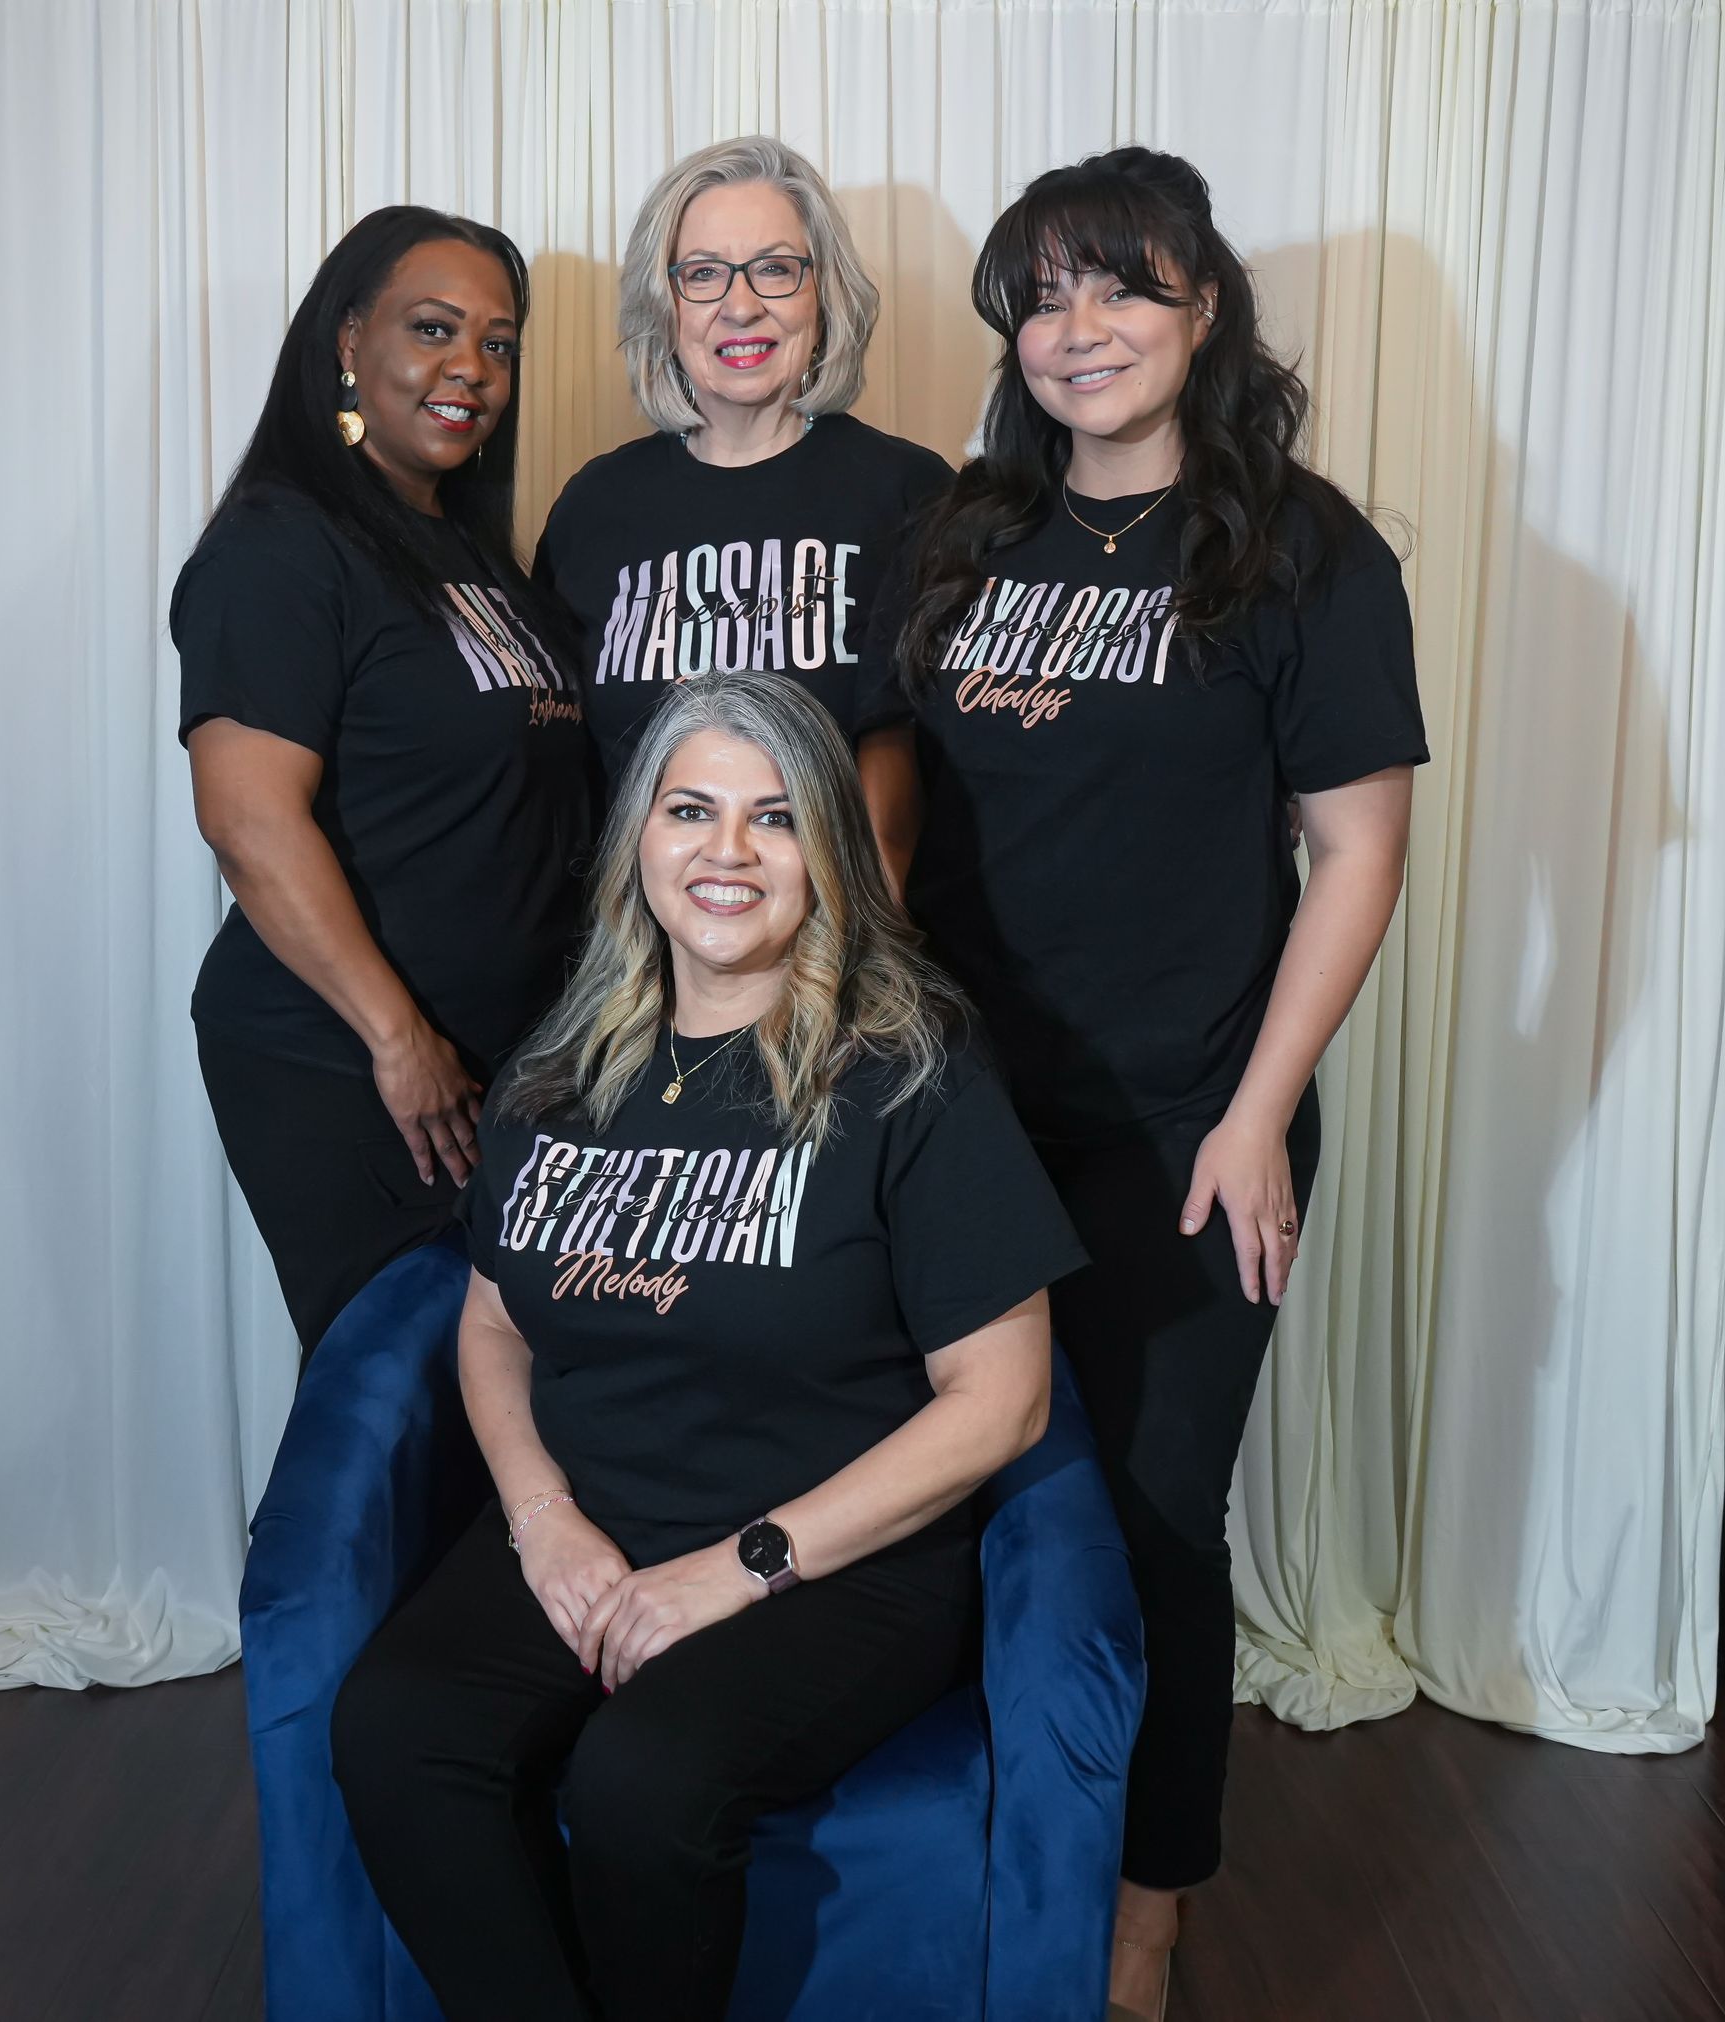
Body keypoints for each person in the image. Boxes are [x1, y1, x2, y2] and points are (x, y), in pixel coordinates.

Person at [857, 148, 1429, 2020]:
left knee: (1161, 1514)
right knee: (968, 1490)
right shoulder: (964, 537)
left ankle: (1147, 1901)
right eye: (1040, 293)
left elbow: (1353, 851)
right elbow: (899, 817)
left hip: (1194, 1120)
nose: (1076, 327)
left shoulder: (1299, 547)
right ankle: (986, 1846)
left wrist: (1259, 1113)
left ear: (1203, 310)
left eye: (1123, 287)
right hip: (960, 1122)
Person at [329, 670, 1085, 2022]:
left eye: (775, 817)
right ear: (639, 838)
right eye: (691, 809)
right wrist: (542, 1517)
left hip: (832, 1561)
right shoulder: (560, 1068)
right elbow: (494, 1320)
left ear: (828, 855)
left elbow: (1006, 1399)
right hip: (599, 1520)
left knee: (643, 1778)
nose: (727, 851)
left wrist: (737, 1573)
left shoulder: (910, 1070)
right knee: (394, 1730)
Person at [172, 206, 590, 1359]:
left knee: (493, 1391)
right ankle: (315, 1552)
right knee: (393, 1383)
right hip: (343, 1057)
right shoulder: (280, 545)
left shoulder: (469, 553)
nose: (471, 369)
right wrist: (396, 1037)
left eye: (498, 344)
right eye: (434, 329)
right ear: (348, 341)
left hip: (498, 1059)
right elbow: (248, 821)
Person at [534, 135, 953, 790]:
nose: (740, 306)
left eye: (776, 269)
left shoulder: (910, 494)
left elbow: (937, 757)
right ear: (664, 306)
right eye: (702, 273)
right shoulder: (594, 505)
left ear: (823, 294)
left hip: (843, 894)